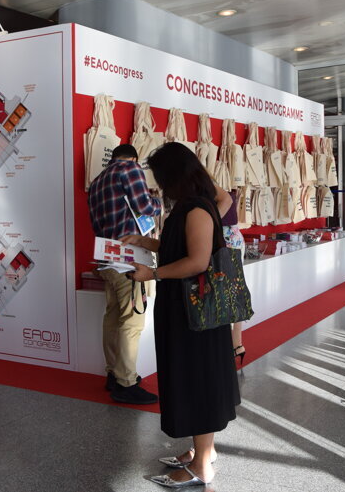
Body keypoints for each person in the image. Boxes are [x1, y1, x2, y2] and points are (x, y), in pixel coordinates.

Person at [126, 142, 240, 488]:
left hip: (193, 313)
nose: (159, 186)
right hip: (188, 310)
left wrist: (152, 273)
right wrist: (145, 243)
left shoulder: (197, 209)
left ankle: (202, 466)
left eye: (161, 178)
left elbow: (197, 261)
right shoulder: (191, 207)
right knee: (193, 378)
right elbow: (180, 247)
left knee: (196, 381)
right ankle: (202, 450)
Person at [88, 144, 163, 405]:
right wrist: (159, 202)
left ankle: (114, 373)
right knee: (132, 321)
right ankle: (126, 382)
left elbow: (95, 224)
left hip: (106, 258)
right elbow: (145, 206)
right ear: (133, 158)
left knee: (112, 317)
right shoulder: (130, 168)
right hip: (129, 259)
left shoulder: (96, 182)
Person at [221, 189, 247, 366]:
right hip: (232, 234)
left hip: (225, 238)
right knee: (234, 291)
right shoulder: (226, 184)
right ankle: (237, 344)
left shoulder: (213, 185)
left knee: (226, 294)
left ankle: (231, 345)